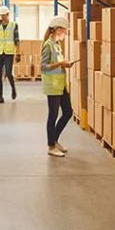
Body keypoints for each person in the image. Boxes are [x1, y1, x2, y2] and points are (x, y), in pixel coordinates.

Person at [40, 16, 75, 157]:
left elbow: (58, 63)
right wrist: (61, 64)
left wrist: (65, 63)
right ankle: (51, 146)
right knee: (53, 116)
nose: (65, 33)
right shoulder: (48, 45)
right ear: (58, 29)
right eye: (64, 31)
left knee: (68, 112)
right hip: (52, 86)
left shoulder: (57, 44)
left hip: (61, 85)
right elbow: (43, 67)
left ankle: (55, 139)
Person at [0, 5, 20, 104]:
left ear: (8, 15)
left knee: (8, 73)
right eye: (1, 15)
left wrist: (18, 53)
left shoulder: (14, 25)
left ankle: (13, 88)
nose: (2, 17)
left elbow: (17, 40)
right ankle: (0, 96)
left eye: (4, 15)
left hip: (9, 52)